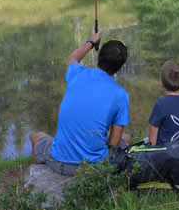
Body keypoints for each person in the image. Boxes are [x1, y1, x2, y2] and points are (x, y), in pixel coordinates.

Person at [30, 29, 132, 176]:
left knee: (37, 137)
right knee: (127, 139)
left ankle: (38, 178)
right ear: (120, 68)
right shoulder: (121, 95)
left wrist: (91, 42)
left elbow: (72, 58)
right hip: (93, 169)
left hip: (58, 162)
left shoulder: (77, 73)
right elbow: (114, 143)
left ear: (98, 57)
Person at [147, 60, 179, 146]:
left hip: (166, 153)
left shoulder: (160, 104)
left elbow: (153, 130)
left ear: (161, 83)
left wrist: (150, 151)